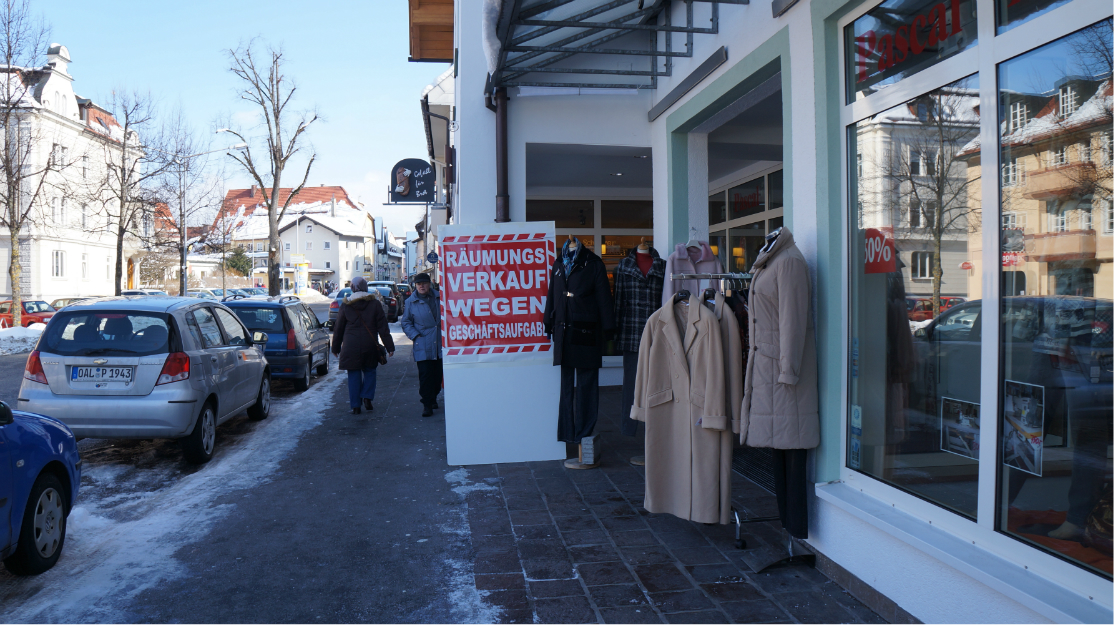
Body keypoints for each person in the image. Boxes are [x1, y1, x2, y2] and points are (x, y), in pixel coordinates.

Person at [332, 276, 394, 414]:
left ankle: (355, 406)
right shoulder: (375, 304)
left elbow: (338, 328)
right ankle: (367, 396)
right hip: (370, 345)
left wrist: (335, 347)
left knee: (353, 374)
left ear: (352, 288)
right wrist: (390, 346)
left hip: (350, 346)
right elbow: (383, 328)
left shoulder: (346, 305)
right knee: (370, 371)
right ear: (365, 287)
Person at [399, 272, 442, 417]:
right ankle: (427, 404)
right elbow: (406, 322)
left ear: (430, 284)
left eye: (424, 283)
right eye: (418, 284)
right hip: (423, 343)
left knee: (438, 376)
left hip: (440, 343)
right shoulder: (411, 302)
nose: (421, 286)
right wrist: (415, 336)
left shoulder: (440, 297)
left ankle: (433, 396)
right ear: (415, 285)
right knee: (425, 376)